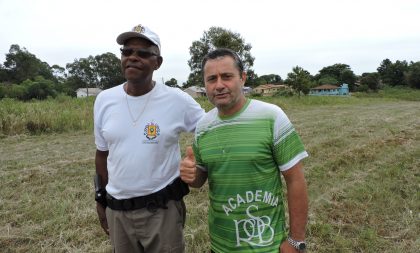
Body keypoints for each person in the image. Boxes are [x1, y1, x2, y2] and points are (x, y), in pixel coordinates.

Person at [180, 48, 309, 253]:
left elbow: (296, 180)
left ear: (243, 78)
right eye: (212, 79)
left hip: (267, 245)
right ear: (204, 85)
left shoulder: (271, 116)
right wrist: (191, 174)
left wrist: (296, 241)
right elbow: (200, 179)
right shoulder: (203, 126)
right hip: (221, 246)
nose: (219, 85)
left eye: (227, 77)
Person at [93, 24, 205, 253]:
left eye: (143, 53)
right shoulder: (104, 100)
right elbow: (102, 154)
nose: (133, 57)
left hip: (161, 211)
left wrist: (198, 164)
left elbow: (210, 131)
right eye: (127, 52)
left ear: (158, 62)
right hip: (117, 212)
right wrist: (100, 198)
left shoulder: (177, 100)